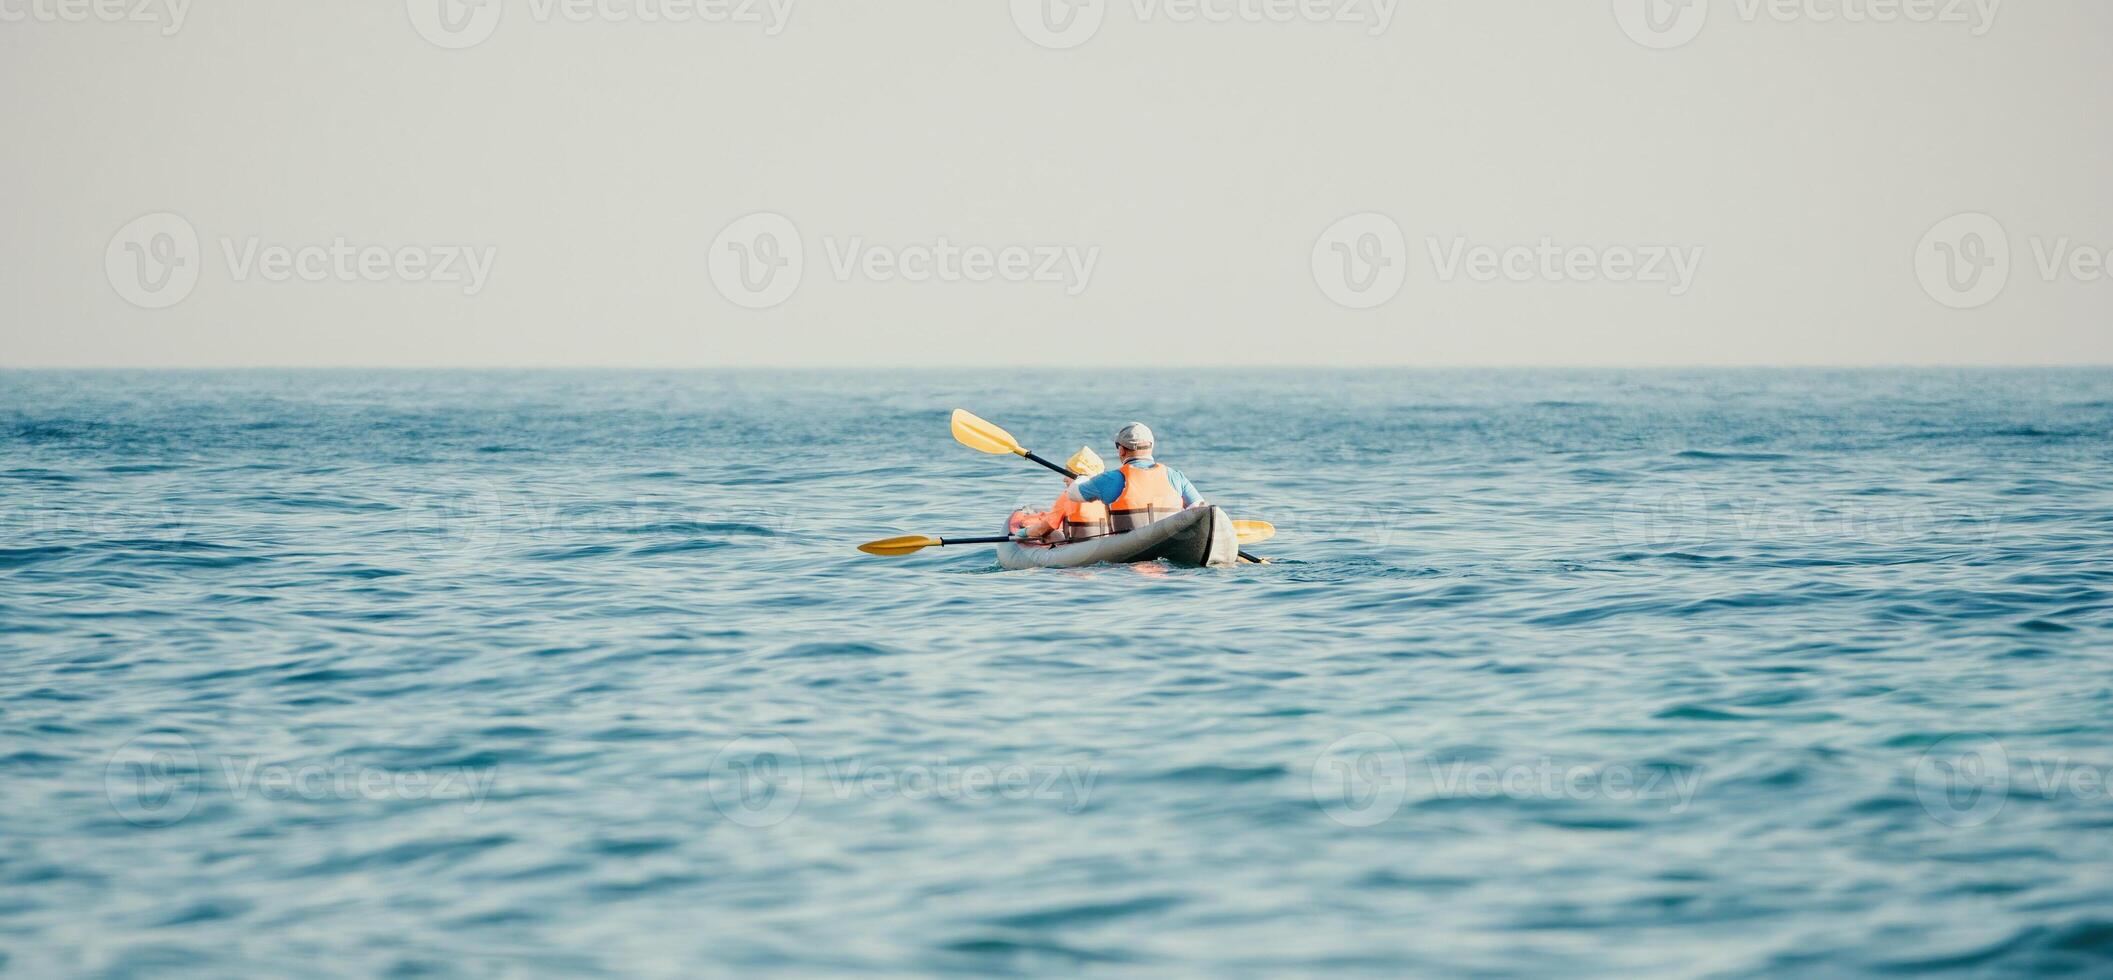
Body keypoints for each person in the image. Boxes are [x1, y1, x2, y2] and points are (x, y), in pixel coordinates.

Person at [1065, 422, 1204, 532]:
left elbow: (1073, 493)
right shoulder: (1176, 476)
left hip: (1129, 556)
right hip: (1170, 542)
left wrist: (1083, 477)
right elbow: (1199, 508)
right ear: (1151, 446)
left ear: (1121, 450)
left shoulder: (1111, 478)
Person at [1010, 447, 1113, 543]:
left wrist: (1025, 532)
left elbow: (1042, 530)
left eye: (1067, 474)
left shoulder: (1069, 496)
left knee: (1052, 534)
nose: (1064, 479)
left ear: (1079, 477)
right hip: (1105, 546)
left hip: (1079, 551)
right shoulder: (1109, 494)